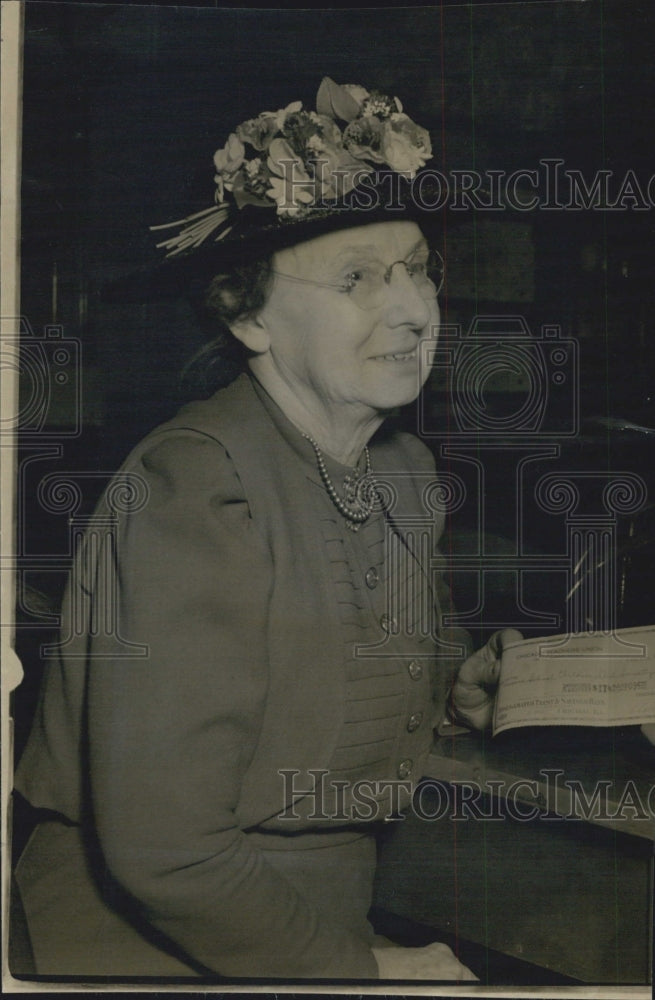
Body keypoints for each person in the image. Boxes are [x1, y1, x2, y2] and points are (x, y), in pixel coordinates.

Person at [13, 77, 517, 981]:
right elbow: (166, 852)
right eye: (356, 278)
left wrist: (457, 690)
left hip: (322, 922)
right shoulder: (196, 490)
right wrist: (362, 971)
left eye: (415, 268)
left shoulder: (403, 472)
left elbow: (342, 692)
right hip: (139, 949)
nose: (410, 309)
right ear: (247, 314)